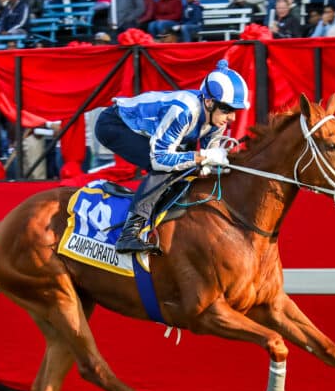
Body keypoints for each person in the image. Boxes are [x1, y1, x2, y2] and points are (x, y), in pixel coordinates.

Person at [95, 59, 250, 254]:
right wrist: (202, 156)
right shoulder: (184, 111)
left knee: (188, 166)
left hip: (151, 134)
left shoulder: (216, 120)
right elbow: (159, 159)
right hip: (114, 125)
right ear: (209, 102)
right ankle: (129, 234)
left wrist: (215, 162)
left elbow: (207, 162)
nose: (232, 118)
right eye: (227, 109)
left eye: (235, 111)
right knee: (165, 169)